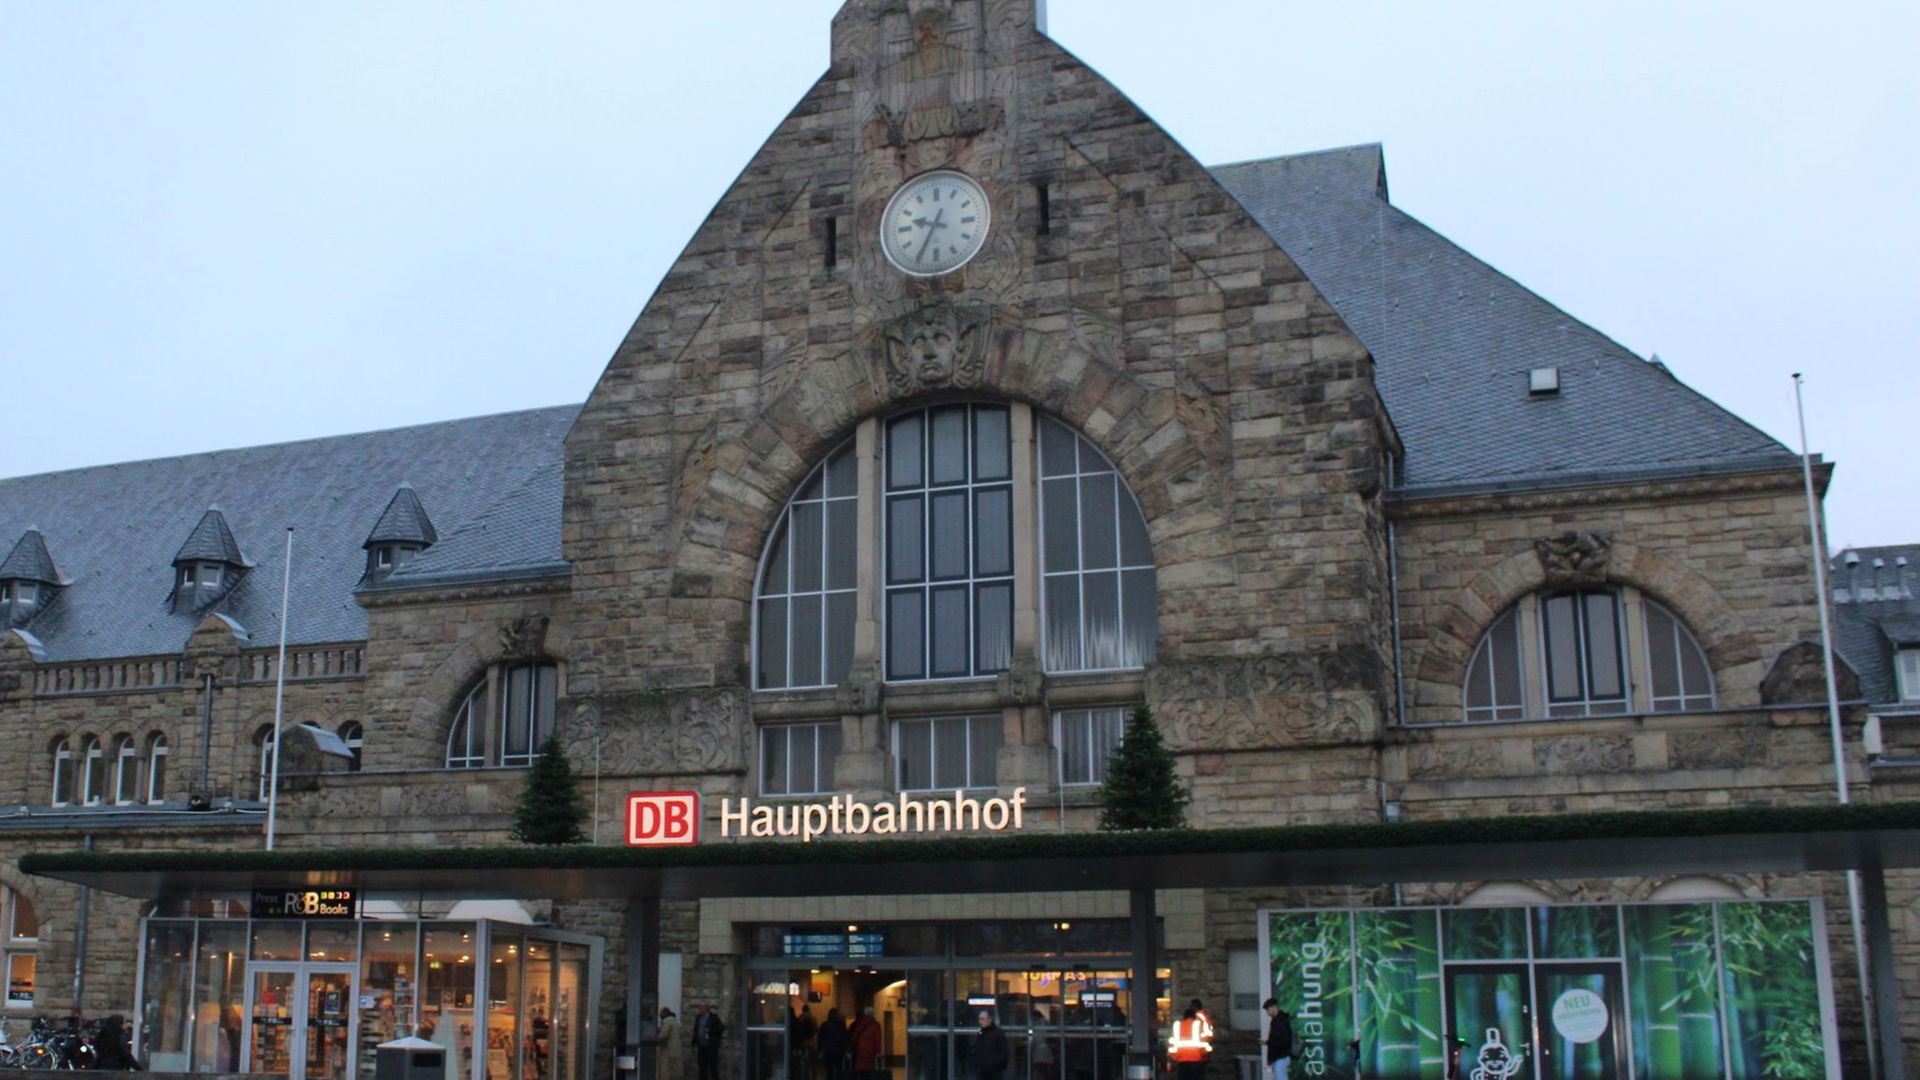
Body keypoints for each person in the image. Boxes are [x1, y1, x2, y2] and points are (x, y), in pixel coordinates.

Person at [1167, 1006, 1211, 1080]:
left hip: (1181, 1060)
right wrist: (1205, 1056)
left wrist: (1174, 1056)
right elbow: (1206, 1040)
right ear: (1194, 1017)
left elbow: (1172, 1043)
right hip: (1196, 1059)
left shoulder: (1177, 1026)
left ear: (1184, 1017)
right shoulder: (1199, 1025)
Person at [966, 1011, 1010, 1080]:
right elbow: (978, 1048)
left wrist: (993, 1063)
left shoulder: (998, 1033)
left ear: (989, 1020)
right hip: (982, 1070)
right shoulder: (981, 1032)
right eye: (979, 1019)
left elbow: (1004, 1053)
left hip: (993, 1071)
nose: (980, 1022)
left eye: (982, 1019)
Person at [692, 1003, 727, 1080]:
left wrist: (711, 1030)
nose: (700, 1009)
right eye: (699, 1007)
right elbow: (696, 1029)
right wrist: (694, 1040)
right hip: (701, 1046)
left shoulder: (713, 1017)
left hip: (711, 1046)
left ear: (707, 1008)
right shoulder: (698, 1017)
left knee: (713, 1066)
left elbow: (721, 1028)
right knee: (702, 1066)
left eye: (702, 1007)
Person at [849, 1006, 883, 1080]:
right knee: (869, 1070)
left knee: (861, 1069)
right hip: (871, 1051)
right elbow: (877, 1039)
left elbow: (854, 1036)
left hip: (860, 1050)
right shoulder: (876, 1025)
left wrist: (851, 1048)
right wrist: (879, 1051)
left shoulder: (859, 1024)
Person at [1262, 999, 1294, 1080]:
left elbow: (1282, 1040)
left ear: (1274, 1007)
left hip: (1280, 1056)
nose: (1267, 1013)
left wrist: (1268, 1042)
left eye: (1268, 1010)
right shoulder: (1277, 1020)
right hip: (1279, 1056)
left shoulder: (1280, 1021)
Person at [818, 1007, 849, 1080]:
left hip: (828, 1050)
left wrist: (820, 1050)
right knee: (839, 1069)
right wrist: (846, 1050)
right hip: (839, 1051)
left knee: (829, 1070)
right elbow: (844, 1038)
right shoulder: (841, 1026)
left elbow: (820, 1039)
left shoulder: (824, 1025)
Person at [658, 1008, 684, 1080]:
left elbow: (663, 1036)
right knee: (675, 1071)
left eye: (661, 1013)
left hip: (668, 1051)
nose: (660, 1015)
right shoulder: (675, 1022)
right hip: (675, 1050)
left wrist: (655, 1039)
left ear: (665, 1013)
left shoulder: (668, 1022)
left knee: (665, 1071)